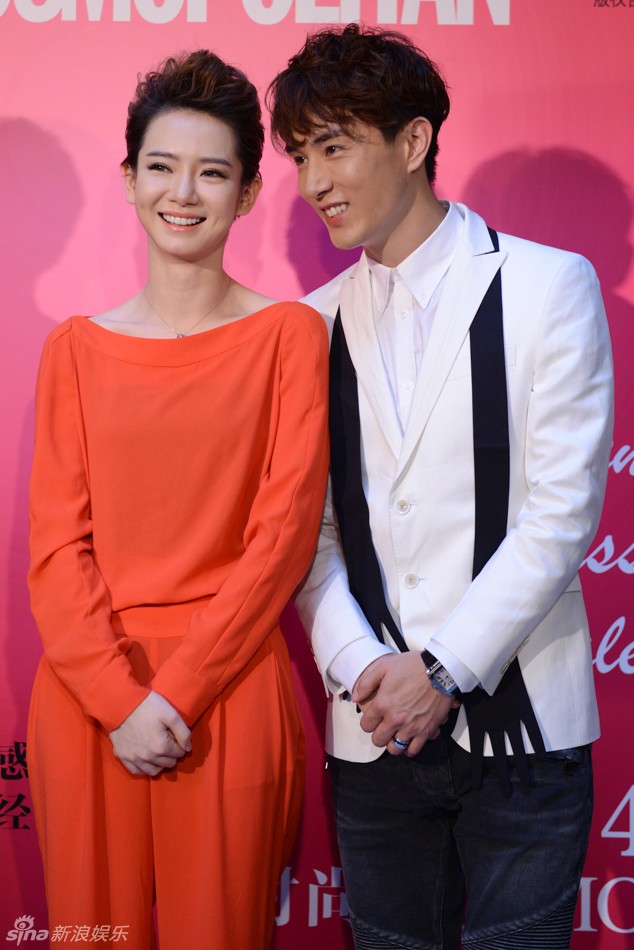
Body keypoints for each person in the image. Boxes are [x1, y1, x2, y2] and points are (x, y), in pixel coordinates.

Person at [267, 24, 614, 949]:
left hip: (526, 732)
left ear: (414, 141)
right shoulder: (306, 325)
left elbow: (561, 513)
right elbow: (308, 532)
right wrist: (361, 667)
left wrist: (443, 670)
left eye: (334, 147)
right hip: (372, 729)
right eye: (301, 156)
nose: (314, 182)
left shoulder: (549, 286)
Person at [27, 50, 329, 950]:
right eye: (161, 167)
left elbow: (282, 539)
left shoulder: (289, 335)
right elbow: (56, 549)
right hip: (89, 697)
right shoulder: (74, 349)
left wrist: (180, 691)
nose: (183, 193)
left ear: (248, 192)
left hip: (228, 690)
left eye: (213, 172)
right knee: (91, 937)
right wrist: (119, 701)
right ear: (130, 181)